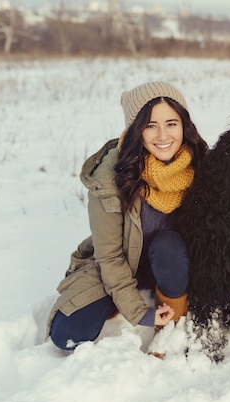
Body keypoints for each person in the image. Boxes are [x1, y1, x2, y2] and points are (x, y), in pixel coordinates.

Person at [46, 81, 208, 351]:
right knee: (68, 334)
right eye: (150, 125)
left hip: (173, 264)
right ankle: (115, 301)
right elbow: (108, 257)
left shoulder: (200, 167)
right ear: (136, 130)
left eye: (171, 123)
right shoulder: (109, 179)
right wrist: (138, 311)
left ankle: (171, 320)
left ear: (184, 125)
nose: (163, 135)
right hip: (120, 266)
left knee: (169, 244)